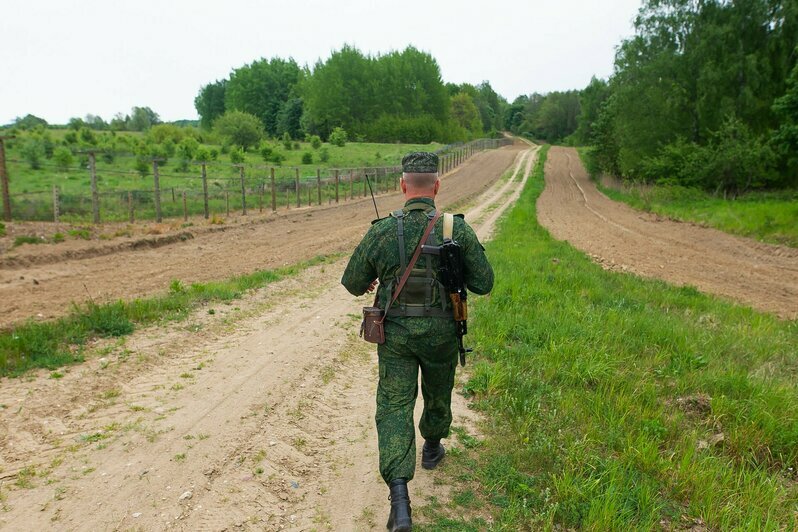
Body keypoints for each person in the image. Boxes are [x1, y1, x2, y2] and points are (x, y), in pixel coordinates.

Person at [341, 151, 494, 531]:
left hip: (396, 337)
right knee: (439, 392)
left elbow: (352, 283)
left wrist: (379, 276)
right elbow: (484, 283)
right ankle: (431, 447)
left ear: (402, 186)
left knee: (394, 404)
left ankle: (400, 500)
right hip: (442, 334)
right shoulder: (454, 229)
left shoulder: (382, 231)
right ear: (437, 186)